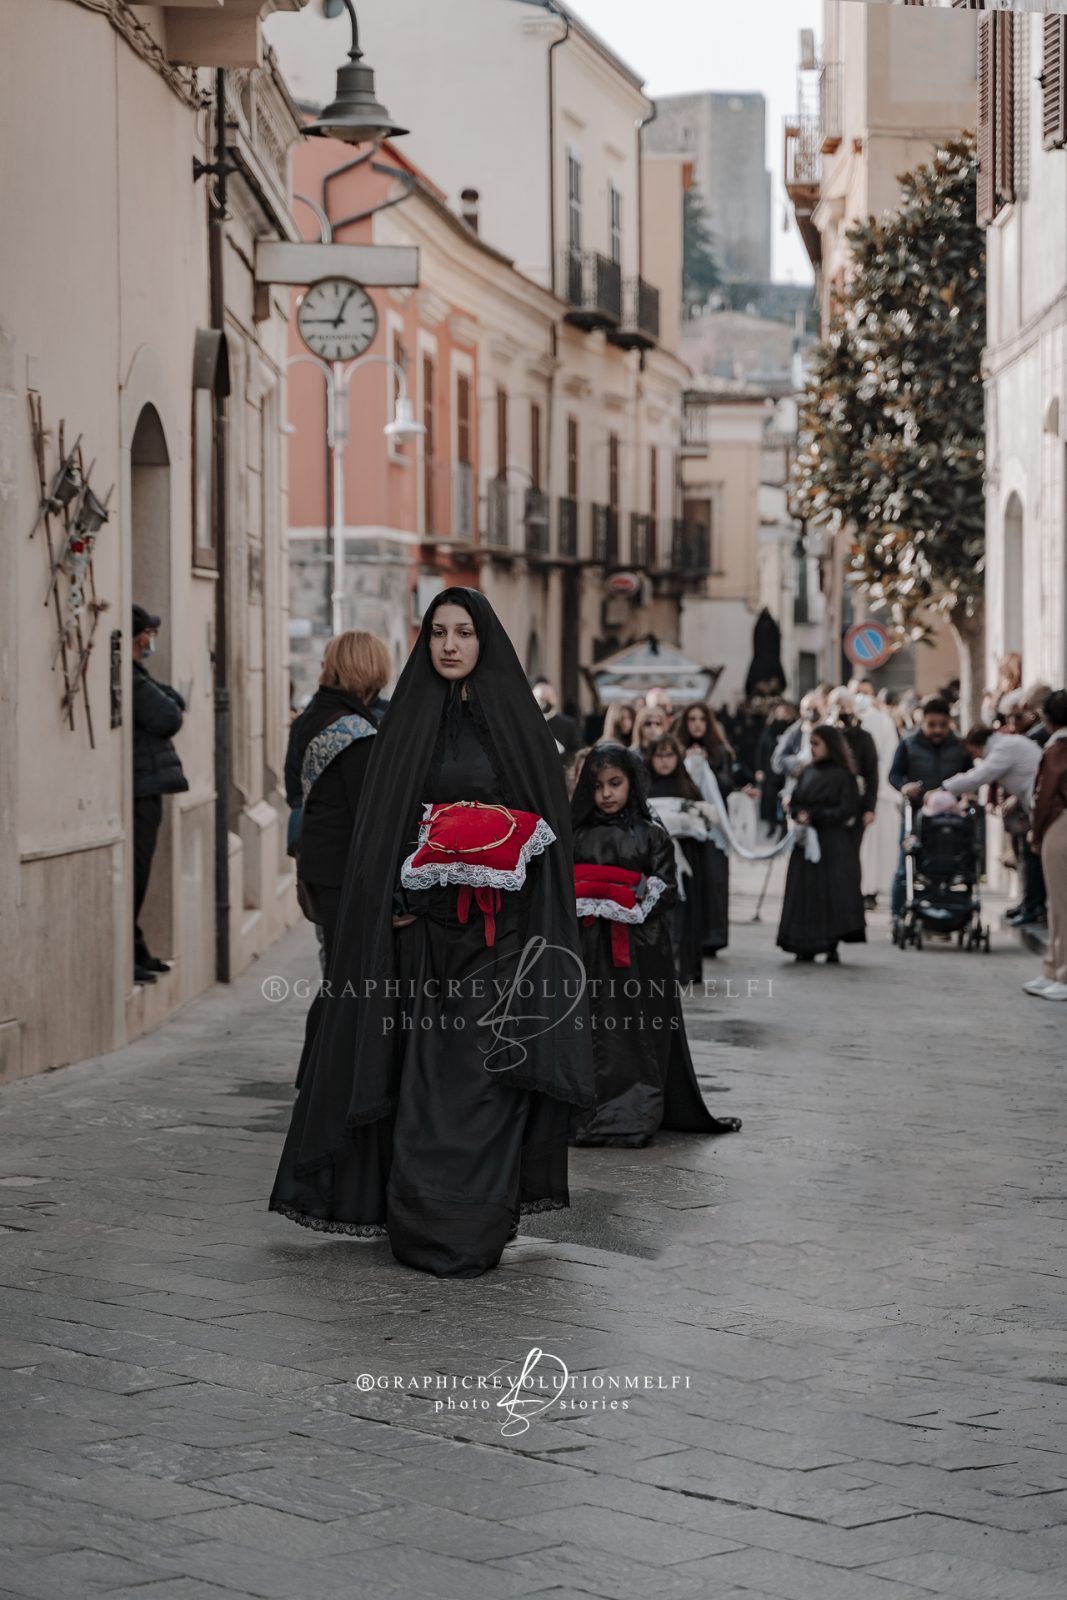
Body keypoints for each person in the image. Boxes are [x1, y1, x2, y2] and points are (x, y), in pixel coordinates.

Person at [269, 589, 594, 1278]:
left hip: (502, 939)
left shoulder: (523, 731)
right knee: (420, 1078)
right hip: (421, 941)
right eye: (438, 633)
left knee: (485, 1076)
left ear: (486, 642)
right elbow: (377, 830)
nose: (449, 645)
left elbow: (550, 837)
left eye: (464, 632)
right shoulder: (401, 729)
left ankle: (478, 1216)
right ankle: (423, 1218)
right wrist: (390, 896)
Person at [570, 743, 741, 1145]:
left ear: (632, 783)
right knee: (591, 1028)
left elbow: (665, 889)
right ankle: (590, 1112)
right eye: (597, 786)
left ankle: (633, 1111)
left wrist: (630, 901)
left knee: (637, 1029)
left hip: (638, 953)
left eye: (615, 783)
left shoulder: (650, 835)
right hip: (588, 951)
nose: (607, 794)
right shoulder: (574, 835)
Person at [289, 630, 390, 973]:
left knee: (336, 970)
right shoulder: (355, 732)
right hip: (345, 870)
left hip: (320, 863)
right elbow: (369, 812)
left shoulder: (311, 717)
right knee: (348, 980)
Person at [131, 604, 188, 986]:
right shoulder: (131, 678)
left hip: (146, 787)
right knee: (136, 873)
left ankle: (135, 948)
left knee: (141, 872)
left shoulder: (138, 675)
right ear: (139, 637)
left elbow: (173, 701)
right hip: (140, 789)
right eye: (149, 633)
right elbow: (169, 715)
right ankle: (130, 952)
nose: (153, 639)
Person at [776, 724, 866, 964]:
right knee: (804, 894)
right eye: (811, 744)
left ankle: (829, 942)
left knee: (828, 894)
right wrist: (798, 814)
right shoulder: (807, 772)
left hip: (831, 844)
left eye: (816, 744)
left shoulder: (844, 776)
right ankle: (802, 942)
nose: (812, 749)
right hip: (806, 843)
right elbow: (795, 801)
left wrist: (815, 816)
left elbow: (847, 808)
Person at [941, 722, 1044, 929]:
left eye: (975, 752)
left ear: (979, 744)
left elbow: (980, 777)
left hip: (1040, 805)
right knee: (1028, 857)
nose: (977, 757)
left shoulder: (1003, 749)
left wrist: (944, 788)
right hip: (1033, 804)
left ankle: (1034, 908)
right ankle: (1030, 904)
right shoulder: (1007, 744)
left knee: (1033, 859)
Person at [888, 697, 971, 918]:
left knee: (956, 865)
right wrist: (904, 787)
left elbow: (971, 775)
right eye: (932, 725)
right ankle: (898, 914)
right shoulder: (908, 743)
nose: (937, 730)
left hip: (952, 817)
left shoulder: (960, 746)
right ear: (922, 722)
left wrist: (967, 796)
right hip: (916, 815)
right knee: (905, 865)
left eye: (942, 725)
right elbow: (894, 774)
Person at [646, 733, 708, 983]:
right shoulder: (643, 786)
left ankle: (685, 967)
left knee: (685, 914)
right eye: (658, 755)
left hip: (685, 859)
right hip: (654, 859)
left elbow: (703, 822)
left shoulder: (688, 786)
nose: (664, 761)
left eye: (669, 755)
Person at [673, 702, 735, 955]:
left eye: (702, 719)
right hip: (686, 827)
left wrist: (704, 765)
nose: (697, 724)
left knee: (714, 880)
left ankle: (713, 936)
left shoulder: (721, 751)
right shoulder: (675, 749)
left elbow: (726, 786)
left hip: (713, 828)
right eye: (692, 719)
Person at [1024, 690, 1067, 1001]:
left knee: (1061, 905)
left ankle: (1062, 973)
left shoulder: (1057, 749)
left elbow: (1044, 796)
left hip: (1060, 823)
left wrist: (1036, 833)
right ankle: (1053, 968)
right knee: (1058, 905)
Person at [828, 689, 880, 906]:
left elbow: (871, 774)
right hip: (830, 802)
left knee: (851, 852)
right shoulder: (827, 734)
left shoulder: (863, 737)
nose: (843, 711)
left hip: (855, 803)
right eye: (838, 706)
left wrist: (869, 807)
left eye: (846, 706)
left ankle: (850, 896)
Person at [533, 680, 581, 762]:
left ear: (554, 699)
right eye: (540, 699)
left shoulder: (568, 724)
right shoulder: (527, 724)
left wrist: (562, 754)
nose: (543, 703)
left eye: (547, 698)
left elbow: (576, 752)